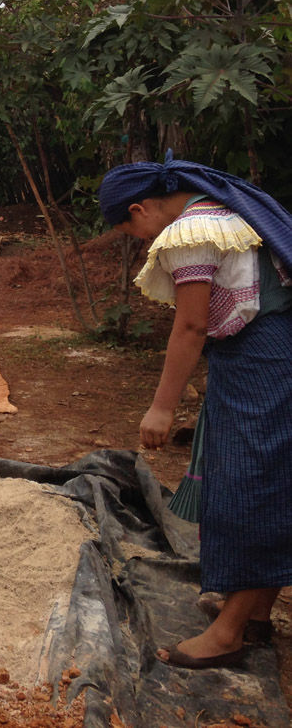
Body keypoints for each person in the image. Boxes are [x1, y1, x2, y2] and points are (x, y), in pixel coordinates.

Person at [98, 157, 292, 670]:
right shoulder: (226, 212)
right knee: (270, 481)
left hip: (263, 366)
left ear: (141, 209)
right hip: (269, 355)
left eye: (131, 229)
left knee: (248, 488)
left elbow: (191, 327)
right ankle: (252, 613)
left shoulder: (191, 232)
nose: (139, 241)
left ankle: (228, 634)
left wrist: (162, 408)